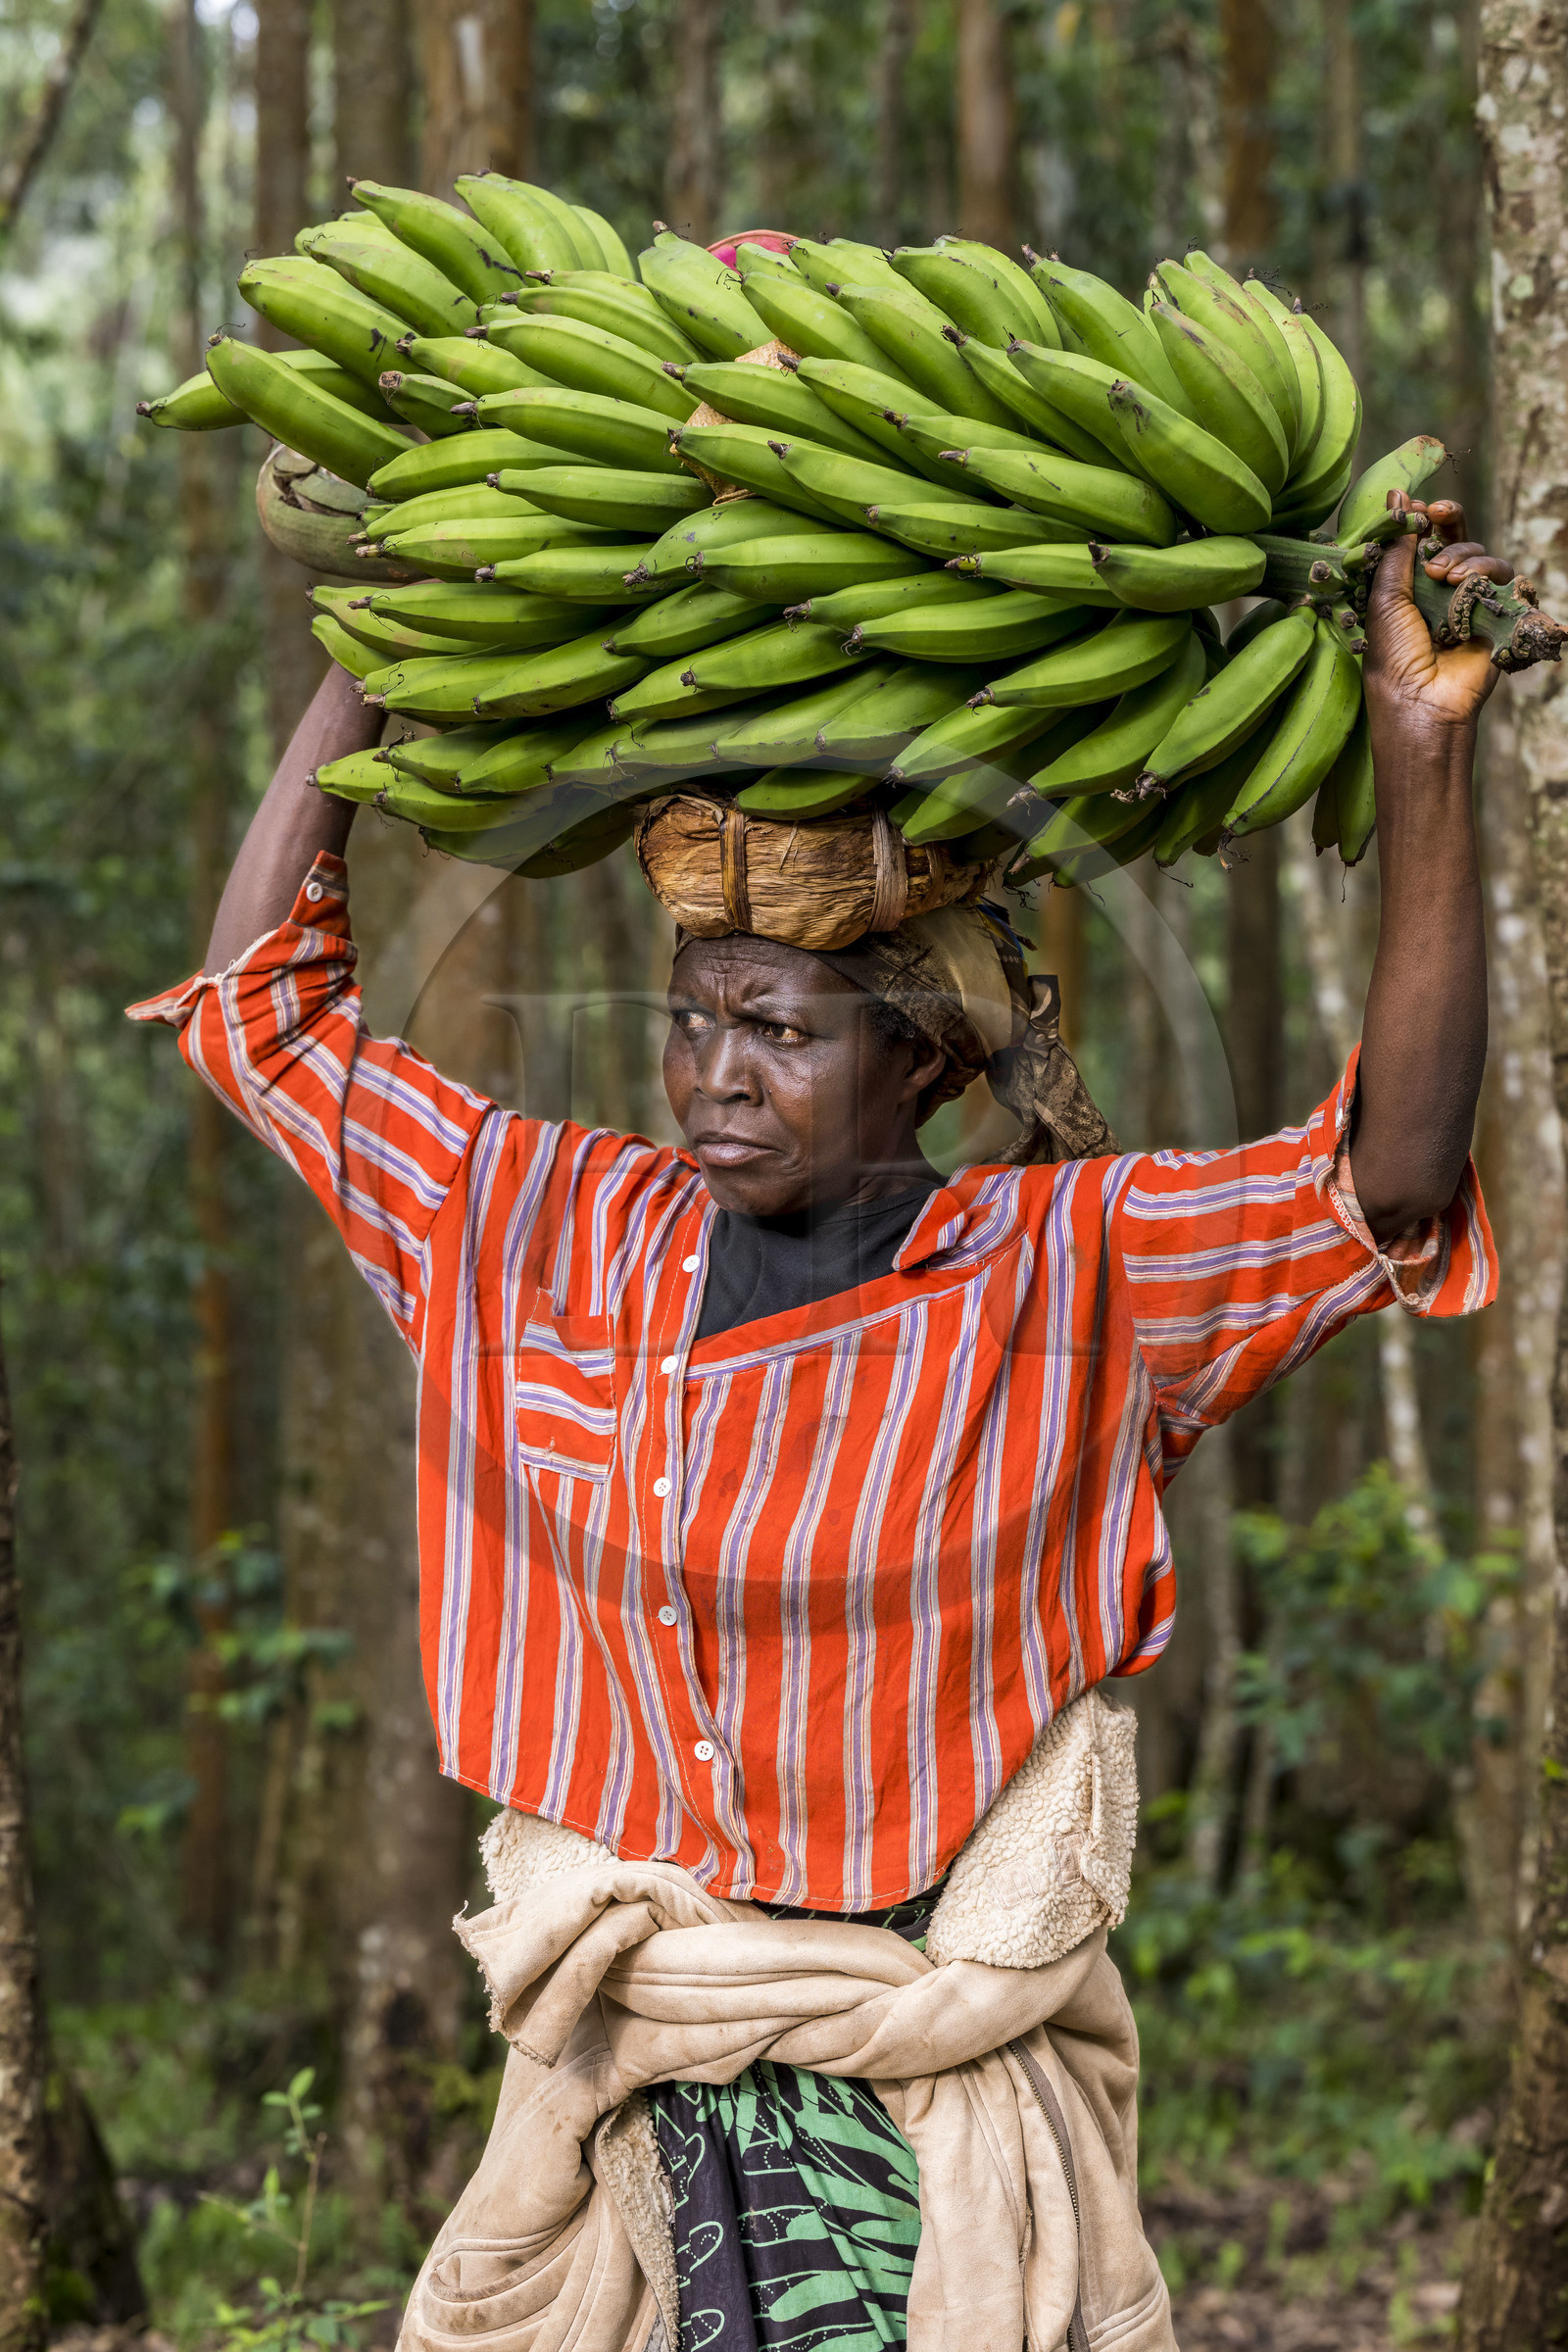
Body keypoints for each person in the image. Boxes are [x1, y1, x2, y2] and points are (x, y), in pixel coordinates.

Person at [129, 501, 1505, 2352]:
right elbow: (261, 1023)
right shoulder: (534, 1222)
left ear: (924, 1060)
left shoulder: (1067, 1276)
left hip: (915, 2061)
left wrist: (1422, 760)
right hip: (637, 2046)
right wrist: (368, 658)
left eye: (780, 1029)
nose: (714, 1074)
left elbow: (1385, 1185)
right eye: (692, 1022)